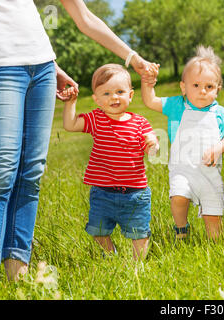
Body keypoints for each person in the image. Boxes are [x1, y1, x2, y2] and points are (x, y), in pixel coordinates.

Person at [0, 0, 157, 300]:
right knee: (0, 170)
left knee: (31, 172)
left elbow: (84, 17)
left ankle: (18, 272)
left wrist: (132, 58)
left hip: (43, 69)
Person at [62, 64, 159, 261]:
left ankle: (136, 265)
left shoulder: (140, 123)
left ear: (130, 95)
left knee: (139, 233)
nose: (114, 97)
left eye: (120, 92)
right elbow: (70, 125)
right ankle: (111, 257)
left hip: (134, 193)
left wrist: (153, 144)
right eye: (106, 93)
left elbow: (152, 150)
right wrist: (70, 102)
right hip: (102, 192)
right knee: (97, 230)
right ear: (96, 99)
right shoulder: (96, 119)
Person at [141, 46, 224, 240]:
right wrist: (148, 83)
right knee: (178, 197)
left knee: (213, 216)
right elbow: (150, 101)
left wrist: (218, 148)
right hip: (182, 170)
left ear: (218, 89)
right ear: (183, 87)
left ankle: (216, 244)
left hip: (209, 173)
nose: (202, 91)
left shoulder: (221, 113)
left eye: (209, 87)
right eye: (196, 86)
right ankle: (181, 230)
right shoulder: (177, 105)